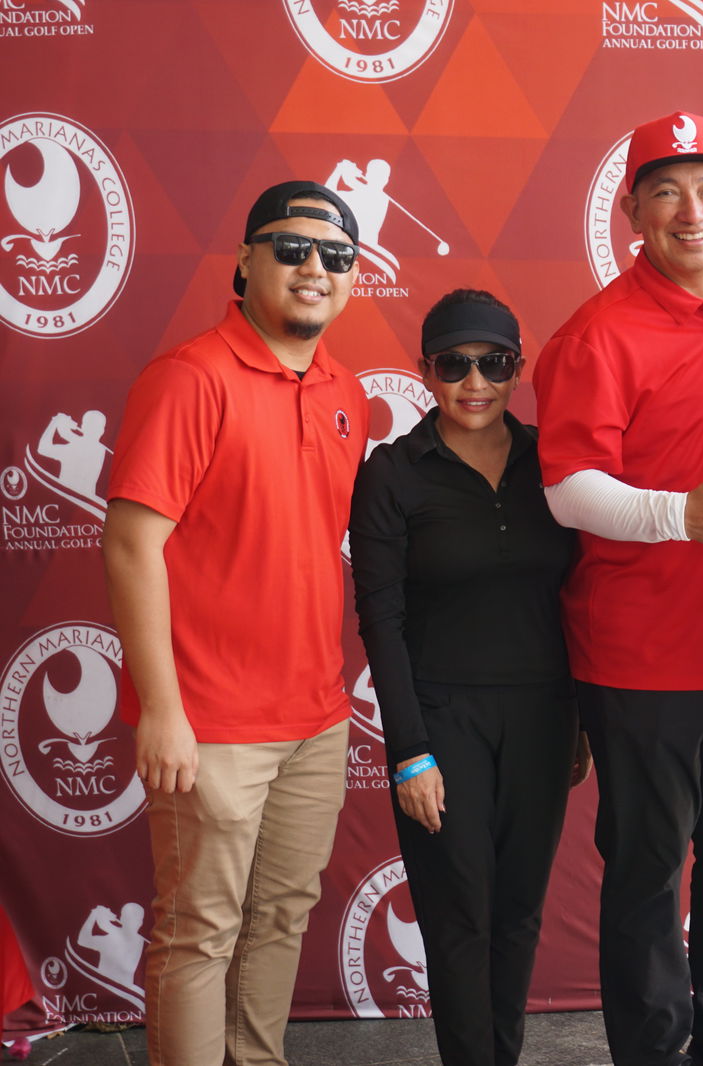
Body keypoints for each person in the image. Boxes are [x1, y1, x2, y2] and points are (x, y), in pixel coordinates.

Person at [532, 111, 703, 1066]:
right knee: (649, 870)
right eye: (666, 190)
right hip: (643, 655)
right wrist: (677, 516)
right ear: (632, 212)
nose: (693, 210)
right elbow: (568, 489)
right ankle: (653, 1051)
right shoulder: (596, 334)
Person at [102, 180, 367, 1066]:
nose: (313, 269)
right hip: (209, 722)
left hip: (316, 718)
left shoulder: (344, 391)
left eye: (334, 256)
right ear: (245, 263)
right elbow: (133, 548)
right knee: (199, 931)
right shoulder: (190, 377)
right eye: (290, 249)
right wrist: (164, 709)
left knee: (281, 915)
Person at [349, 290, 588, 1066]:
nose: (474, 380)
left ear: (518, 369)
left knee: (517, 913)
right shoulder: (392, 472)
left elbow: (582, 599)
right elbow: (380, 620)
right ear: (425, 372)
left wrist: (581, 721)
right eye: (455, 364)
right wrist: (408, 750)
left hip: (544, 716)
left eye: (493, 362)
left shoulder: (553, 463)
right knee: (460, 918)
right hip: (441, 719)